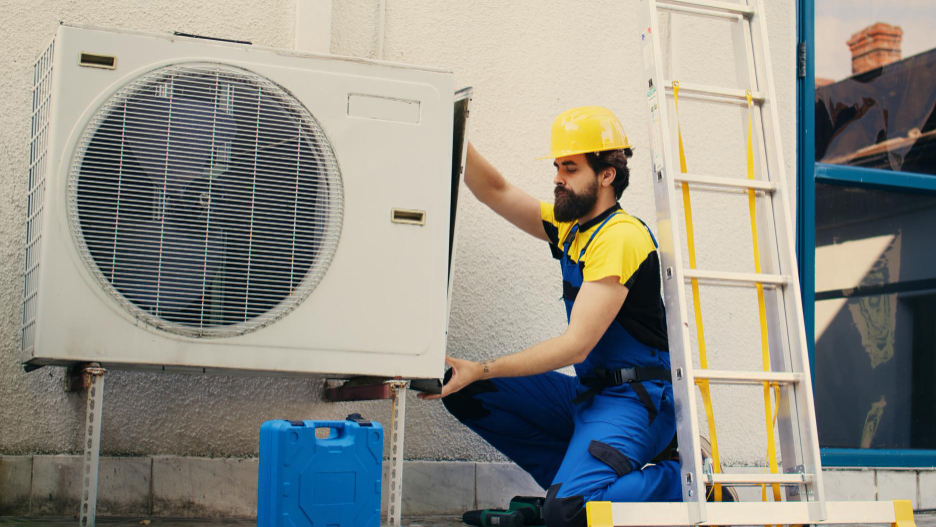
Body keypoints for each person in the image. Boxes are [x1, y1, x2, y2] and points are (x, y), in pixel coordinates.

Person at [419, 106, 685, 527]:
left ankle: (684, 481)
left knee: (573, 513)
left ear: (606, 175)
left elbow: (575, 345)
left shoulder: (622, 237)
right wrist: (451, 130)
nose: (558, 176)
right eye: (558, 166)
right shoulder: (572, 229)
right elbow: (498, 191)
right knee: (469, 392)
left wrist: (483, 366)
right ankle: (570, 489)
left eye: (571, 168)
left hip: (638, 401)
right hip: (589, 396)